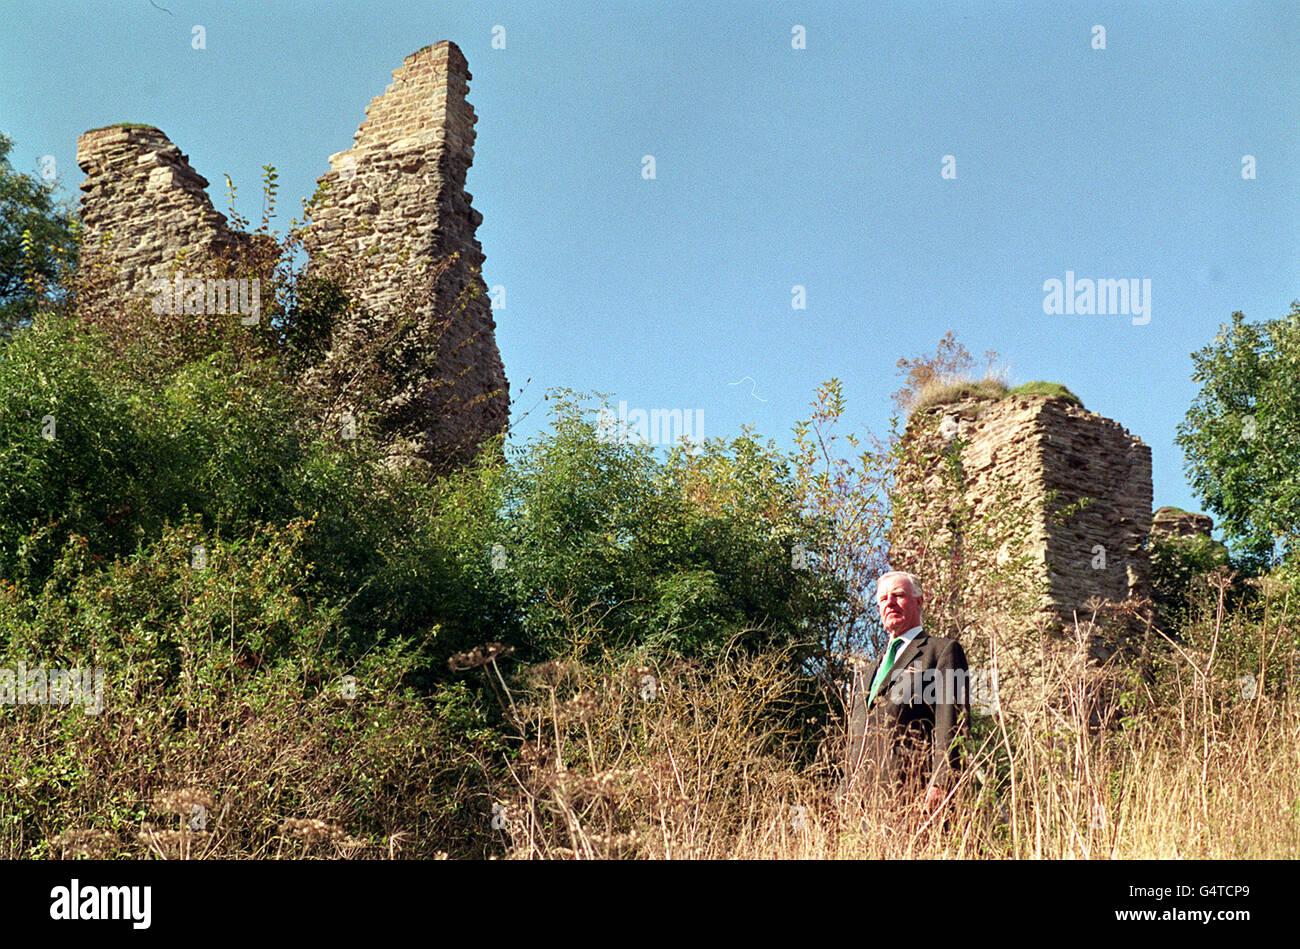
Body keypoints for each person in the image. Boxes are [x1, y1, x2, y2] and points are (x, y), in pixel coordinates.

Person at [845, 571, 970, 811]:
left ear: (919, 601)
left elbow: (952, 723)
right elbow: (853, 739)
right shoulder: (867, 672)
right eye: (883, 599)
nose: (889, 603)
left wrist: (941, 782)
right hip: (858, 806)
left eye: (898, 595)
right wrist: (844, 792)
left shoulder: (941, 652)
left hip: (912, 796)